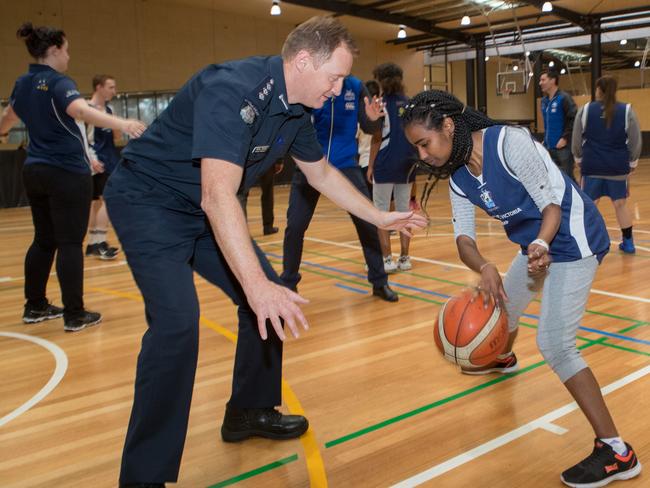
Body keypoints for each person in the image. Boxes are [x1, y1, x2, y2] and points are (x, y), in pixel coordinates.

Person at [103, 16, 426, 487]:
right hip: (148, 202)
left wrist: (380, 218)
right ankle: (142, 477)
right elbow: (218, 195)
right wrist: (254, 287)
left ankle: (248, 411)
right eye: (334, 77)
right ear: (301, 61)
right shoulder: (231, 89)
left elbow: (320, 174)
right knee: (177, 325)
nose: (339, 90)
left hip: (200, 210)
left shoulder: (299, 110)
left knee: (272, 291)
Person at [402, 89, 641, 488]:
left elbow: (551, 207)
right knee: (500, 306)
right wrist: (485, 266)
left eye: (424, 144)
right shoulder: (459, 175)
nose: (423, 155)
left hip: (571, 239)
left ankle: (617, 451)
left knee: (555, 344)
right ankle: (502, 354)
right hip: (535, 245)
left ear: (447, 126)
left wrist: (542, 245)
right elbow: (464, 239)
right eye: (417, 148)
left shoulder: (509, 144)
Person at [0, 23, 145, 332]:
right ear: (53, 51)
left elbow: (8, 118)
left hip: (34, 170)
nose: (68, 56)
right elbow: (81, 110)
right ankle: (75, 314)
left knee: (43, 239)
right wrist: (124, 123)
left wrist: (0, 135)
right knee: (69, 243)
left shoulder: (22, 83)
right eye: (65, 50)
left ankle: (35, 305)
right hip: (65, 171)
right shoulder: (57, 82)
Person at [281, 75, 398, 302]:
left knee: (368, 223)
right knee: (295, 226)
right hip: (311, 163)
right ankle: (289, 283)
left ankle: (379, 282)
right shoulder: (315, 85)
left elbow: (368, 124)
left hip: (346, 165)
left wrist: (374, 119)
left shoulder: (355, 87)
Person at [572, 76, 642, 254]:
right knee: (620, 205)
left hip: (592, 166)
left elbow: (576, 137)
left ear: (599, 90)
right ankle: (628, 243)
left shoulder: (586, 109)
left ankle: (588, 242)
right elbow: (635, 139)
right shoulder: (627, 110)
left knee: (589, 206)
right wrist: (633, 161)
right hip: (617, 167)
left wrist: (578, 158)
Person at [368, 62, 417, 273]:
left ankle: (387, 259)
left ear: (381, 80)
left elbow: (377, 138)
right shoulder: (411, 104)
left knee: (380, 213)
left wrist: (370, 165)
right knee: (405, 212)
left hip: (385, 163)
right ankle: (405, 258)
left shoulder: (380, 104)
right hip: (407, 163)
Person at [86, 74, 121, 259]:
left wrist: (116, 123)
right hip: (97, 160)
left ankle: (92, 244)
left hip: (109, 157)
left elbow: (116, 137)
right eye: (110, 87)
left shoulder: (109, 109)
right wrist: (91, 159)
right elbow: (82, 138)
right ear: (99, 87)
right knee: (109, 200)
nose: (114, 91)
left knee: (97, 202)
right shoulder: (86, 109)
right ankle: (100, 242)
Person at [540, 70, 577, 181]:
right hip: (548, 147)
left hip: (563, 148)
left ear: (553, 80)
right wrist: (545, 139)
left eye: (543, 80)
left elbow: (574, 119)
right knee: (553, 179)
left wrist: (565, 138)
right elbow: (548, 124)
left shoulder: (564, 98)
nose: (540, 83)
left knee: (568, 179)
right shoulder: (544, 101)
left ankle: (578, 198)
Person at [237, 159, 283, 235]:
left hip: (249, 160)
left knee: (243, 194)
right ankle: (268, 227)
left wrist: (279, 161)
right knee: (267, 193)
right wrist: (279, 161)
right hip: (266, 159)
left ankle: (243, 231)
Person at [357, 79, 380, 193]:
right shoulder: (382, 114)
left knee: (370, 201)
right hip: (378, 163)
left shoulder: (360, 115)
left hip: (366, 162)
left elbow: (355, 138)